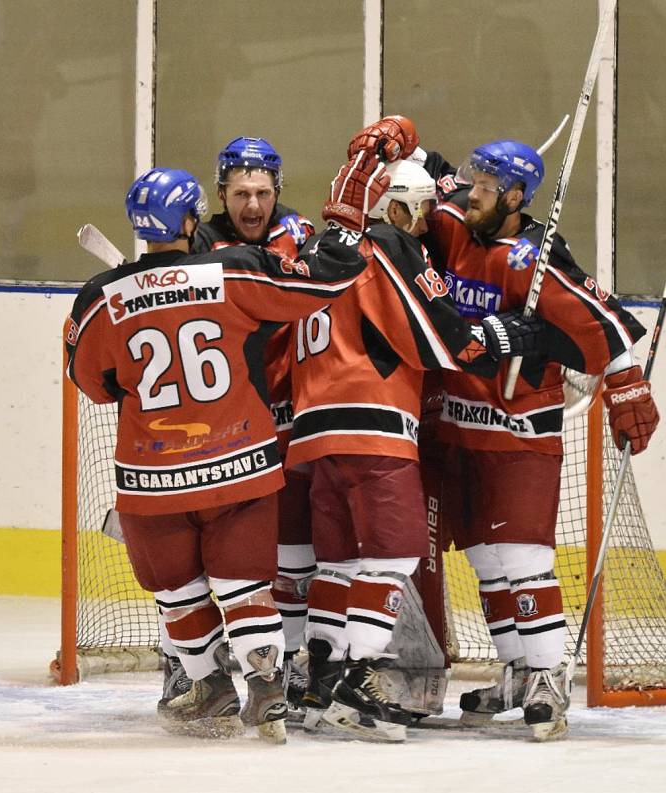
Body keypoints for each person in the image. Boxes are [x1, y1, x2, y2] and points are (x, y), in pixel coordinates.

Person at [348, 118, 660, 741]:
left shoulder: (534, 258)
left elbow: (608, 323)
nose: (473, 192)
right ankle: (517, 671)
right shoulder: (450, 223)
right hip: (455, 428)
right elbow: (389, 200)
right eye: (474, 181)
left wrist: (627, 385)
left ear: (518, 197)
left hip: (519, 429)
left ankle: (547, 678)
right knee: (489, 560)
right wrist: (397, 149)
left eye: (488, 186)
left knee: (522, 556)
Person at [64, 158, 390, 743]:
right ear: (195, 217)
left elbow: (93, 383)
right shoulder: (233, 270)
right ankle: (266, 690)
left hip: (152, 480)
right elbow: (326, 280)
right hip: (237, 467)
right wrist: (345, 215)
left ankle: (207, 682)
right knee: (246, 587)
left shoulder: (98, 297)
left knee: (177, 590)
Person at [286, 155, 545, 742]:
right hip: (371, 421)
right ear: (392, 207)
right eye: (422, 208)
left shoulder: (321, 253)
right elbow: (439, 335)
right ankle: (359, 678)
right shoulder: (391, 245)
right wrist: (502, 336)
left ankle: (318, 680)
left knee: (340, 562)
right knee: (397, 552)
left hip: (313, 430)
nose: (429, 222)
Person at [156, 137, 317, 716]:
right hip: (214, 428)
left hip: (284, 416)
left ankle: (288, 666)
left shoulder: (298, 235)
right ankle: (185, 664)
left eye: (264, 193)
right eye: (242, 193)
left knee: (291, 551)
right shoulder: (195, 238)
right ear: (221, 192)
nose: (254, 204)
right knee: (180, 553)